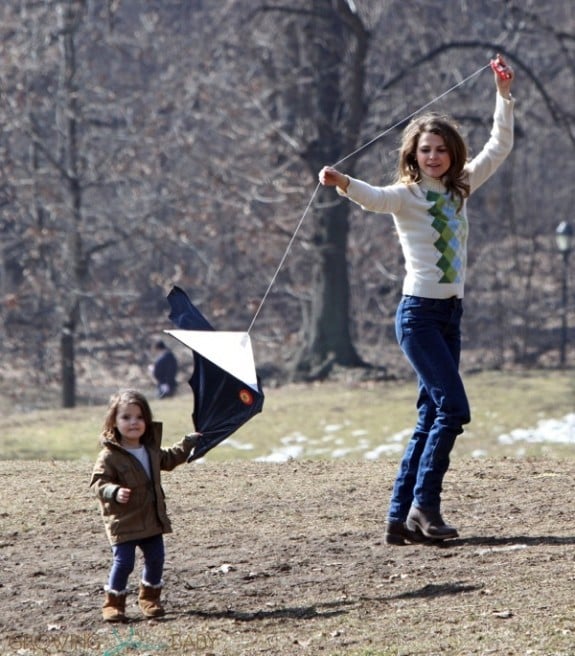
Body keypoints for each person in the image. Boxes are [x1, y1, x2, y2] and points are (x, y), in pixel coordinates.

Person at [318, 55, 514, 544]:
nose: (434, 157)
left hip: (451, 316)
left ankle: (397, 517)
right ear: (414, 154)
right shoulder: (406, 195)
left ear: (452, 154)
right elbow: (374, 197)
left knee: (431, 414)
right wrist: (342, 182)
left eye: (442, 150)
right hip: (418, 317)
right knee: (453, 410)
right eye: (426, 150)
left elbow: (500, 145)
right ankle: (425, 507)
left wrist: (503, 94)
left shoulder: (461, 188)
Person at [90, 389, 199, 622]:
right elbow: (98, 483)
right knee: (124, 562)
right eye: (126, 417)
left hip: (151, 518)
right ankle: (114, 602)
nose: (134, 423)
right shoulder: (109, 456)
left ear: (146, 422)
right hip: (124, 521)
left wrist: (188, 443)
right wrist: (114, 491)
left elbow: (169, 458)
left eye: (139, 417)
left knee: (156, 558)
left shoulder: (150, 450)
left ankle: (150, 598)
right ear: (114, 422)